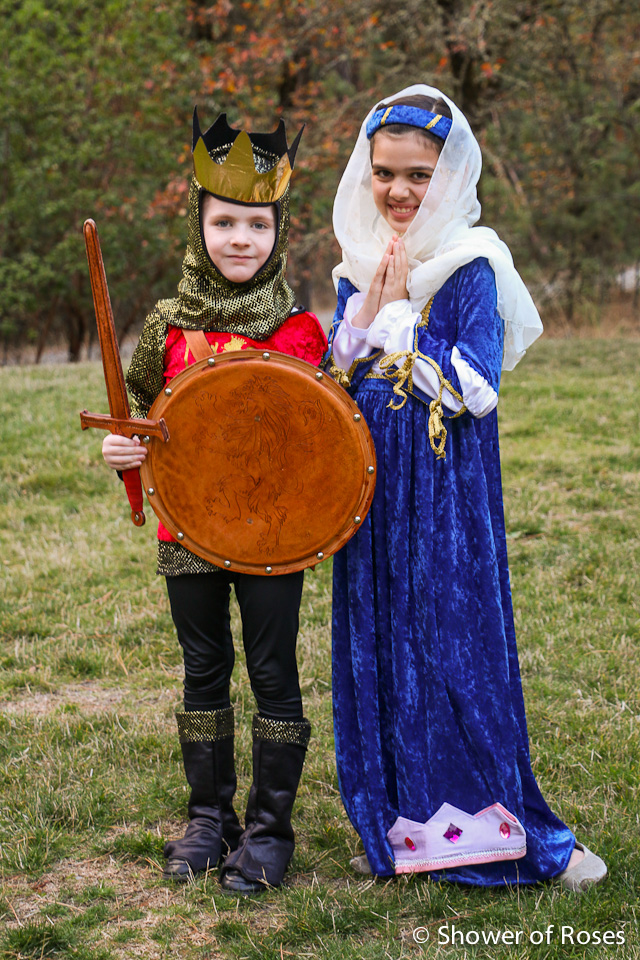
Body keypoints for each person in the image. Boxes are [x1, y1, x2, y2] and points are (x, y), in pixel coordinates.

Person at [325, 84, 606, 890]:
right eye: (386, 173)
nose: (401, 190)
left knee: (450, 640)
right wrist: (359, 327)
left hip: (445, 491)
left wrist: (404, 324)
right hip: (374, 487)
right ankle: (403, 825)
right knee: (384, 638)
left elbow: (477, 384)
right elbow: (340, 383)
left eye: (419, 173)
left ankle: (496, 825)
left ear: (449, 174)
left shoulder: (471, 262)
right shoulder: (358, 260)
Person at [102, 109, 327, 895]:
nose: (240, 238)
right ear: (198, 225)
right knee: (203, 668)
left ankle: (269, 832)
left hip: (272, 532)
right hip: (187, 522)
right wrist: (121, 453)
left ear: (278, 231)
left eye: (256, 224)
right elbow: (136, 420)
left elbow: (319, 443)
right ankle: (210, 820)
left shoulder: (298, 333)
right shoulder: (166, 327)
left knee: (272, 672)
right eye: (224, 221)